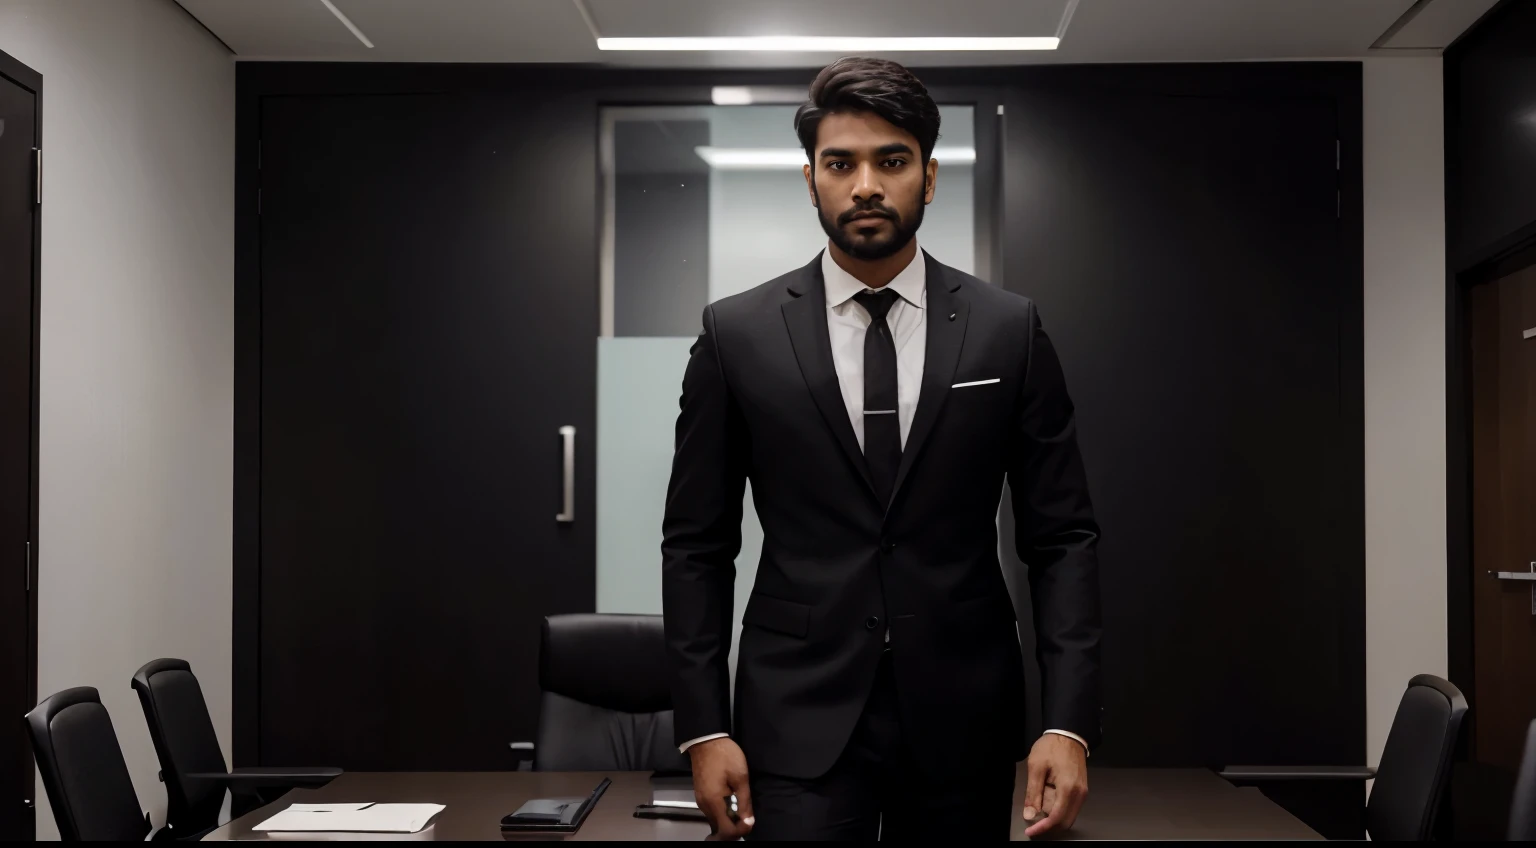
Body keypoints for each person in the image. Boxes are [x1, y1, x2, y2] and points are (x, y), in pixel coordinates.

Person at [661, 56, 1102, 842]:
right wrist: (703, 726)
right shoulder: (738, 335)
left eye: (891, 161)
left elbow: (1062, 539)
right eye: (841, 163)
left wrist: (1067, 723)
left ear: (928, 178)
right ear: (812, 182)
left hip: (965, 713)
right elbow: (697, 544)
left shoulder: (1009, 330)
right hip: (795, 714)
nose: (866, 184)